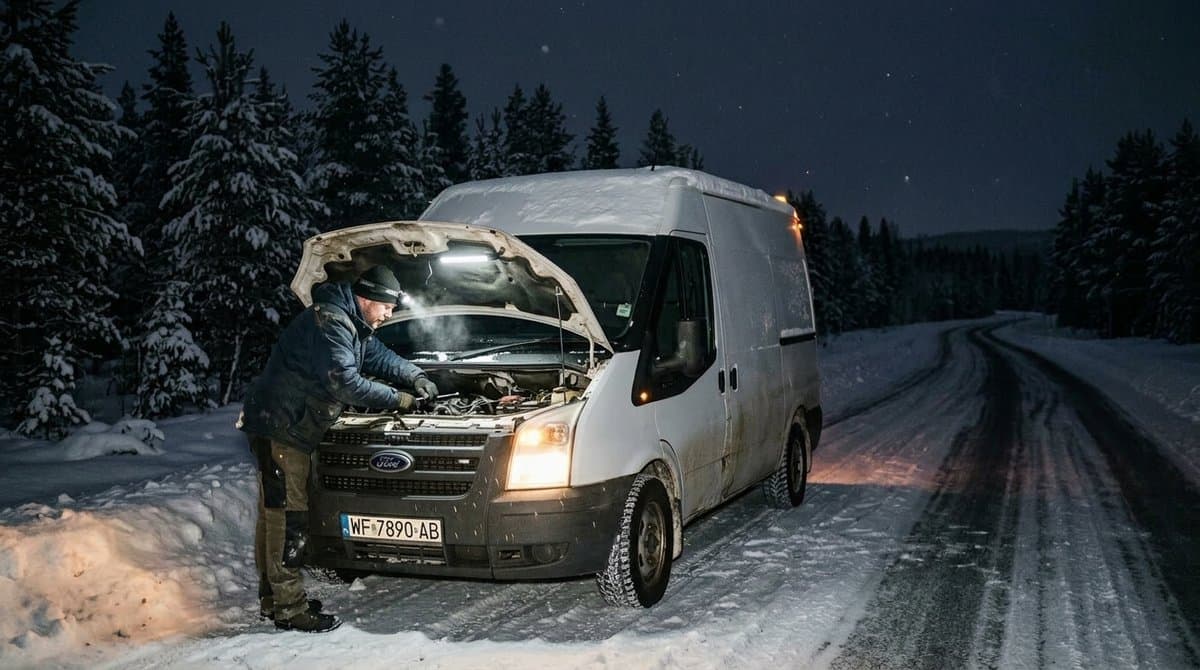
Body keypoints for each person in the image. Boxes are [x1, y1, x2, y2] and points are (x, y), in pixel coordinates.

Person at [238, 265, 438, 633]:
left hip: (281, 423)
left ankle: (274, 599)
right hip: (282, 427)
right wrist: (399, 399)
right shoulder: (331, 323)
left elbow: (377, 357)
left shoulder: (350, 323)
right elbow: (345, 383)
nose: (388, 315)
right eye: (386, 308)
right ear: (367, 299)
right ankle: (289, 609)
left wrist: (416, 376)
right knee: (288, 517)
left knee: (274, 514)